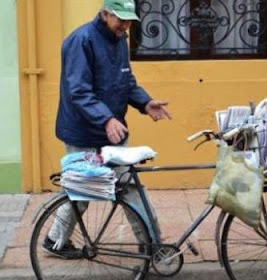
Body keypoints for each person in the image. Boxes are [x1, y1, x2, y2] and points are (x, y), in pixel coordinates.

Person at [43, 0, 171, 259]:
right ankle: (55, 240)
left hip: (112, 130)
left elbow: (126, 80)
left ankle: (153, 245)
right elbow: (78, 91)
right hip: (83, 132)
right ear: (104, 14)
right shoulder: (81, 41)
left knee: (129, 188)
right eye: (120, 19)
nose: (125, 26)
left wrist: (145, 102)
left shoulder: (119, 41)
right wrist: (106, 119)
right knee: (81, 191)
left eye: (129, 20)